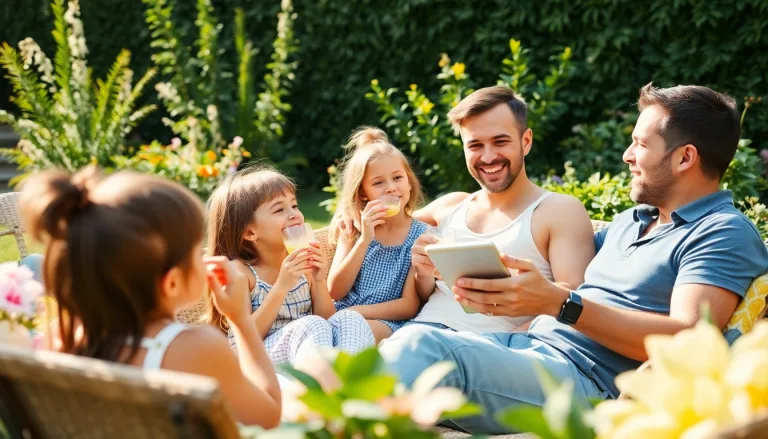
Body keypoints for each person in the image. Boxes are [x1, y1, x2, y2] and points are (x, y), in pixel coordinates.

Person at [380, 83, 768, 434]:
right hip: (529, 349)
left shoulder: (721, 232)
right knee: (399, 355)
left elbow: (686, 338)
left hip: (588, 384)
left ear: (685, 158)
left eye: (640, 144)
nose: (627, 155)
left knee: (420, 348)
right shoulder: (630, 221)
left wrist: (559, 303)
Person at [19, 166, 283, 428]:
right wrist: (240, 321)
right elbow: (269, 416)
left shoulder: (62, 338)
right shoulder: (194, 347)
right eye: (195, 251)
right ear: (171, 282)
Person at [409, 84, 595, 334]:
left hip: (485, 351)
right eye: (475, 146)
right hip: (416, 333)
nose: (487, 157)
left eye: (500, 142)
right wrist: (421, 270)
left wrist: (507, 346)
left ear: (525, 141)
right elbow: (381, 224)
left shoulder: (558, 211)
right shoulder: (450, 206)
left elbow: (575, 302)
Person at [205, 166, 374, 365]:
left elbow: (328, 319)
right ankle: (323, 388)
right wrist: (281, 287)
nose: (294, 214)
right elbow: (245, 337)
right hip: (260, 358)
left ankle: (352, 382)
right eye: (279, 210)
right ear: (250, 233)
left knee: (349, 319)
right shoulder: (242, 274)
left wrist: (319, 280)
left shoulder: (301, 262)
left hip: (308, 350)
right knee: (312, 324)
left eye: (294, 206)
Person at [328, 127, 427, 343]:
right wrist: (364, 240)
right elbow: (335, 291)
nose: (391, 188)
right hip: (339, 316)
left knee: (352, 333)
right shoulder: (353, 229)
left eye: (397, 178)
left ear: (409, 182)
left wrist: (356, 312)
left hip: (385, 321)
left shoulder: (420, 235)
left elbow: (409, 305)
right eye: (378, 183)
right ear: (363, 193)